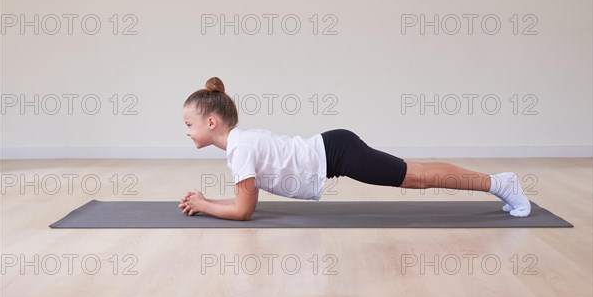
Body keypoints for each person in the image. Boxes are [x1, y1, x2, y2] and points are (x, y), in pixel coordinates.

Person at [178, 77, 531, 221]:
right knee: (415, 174)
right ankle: (499, 184)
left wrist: (204, 204)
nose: (188, 132)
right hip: (334, 148)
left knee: (416, 176)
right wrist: (206, 202)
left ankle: (501, 184)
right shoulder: (240, 143)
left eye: (189, 124)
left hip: (338, 153)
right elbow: (245, 203)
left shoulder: (239, 148)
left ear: (212, 123)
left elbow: (243, 211)